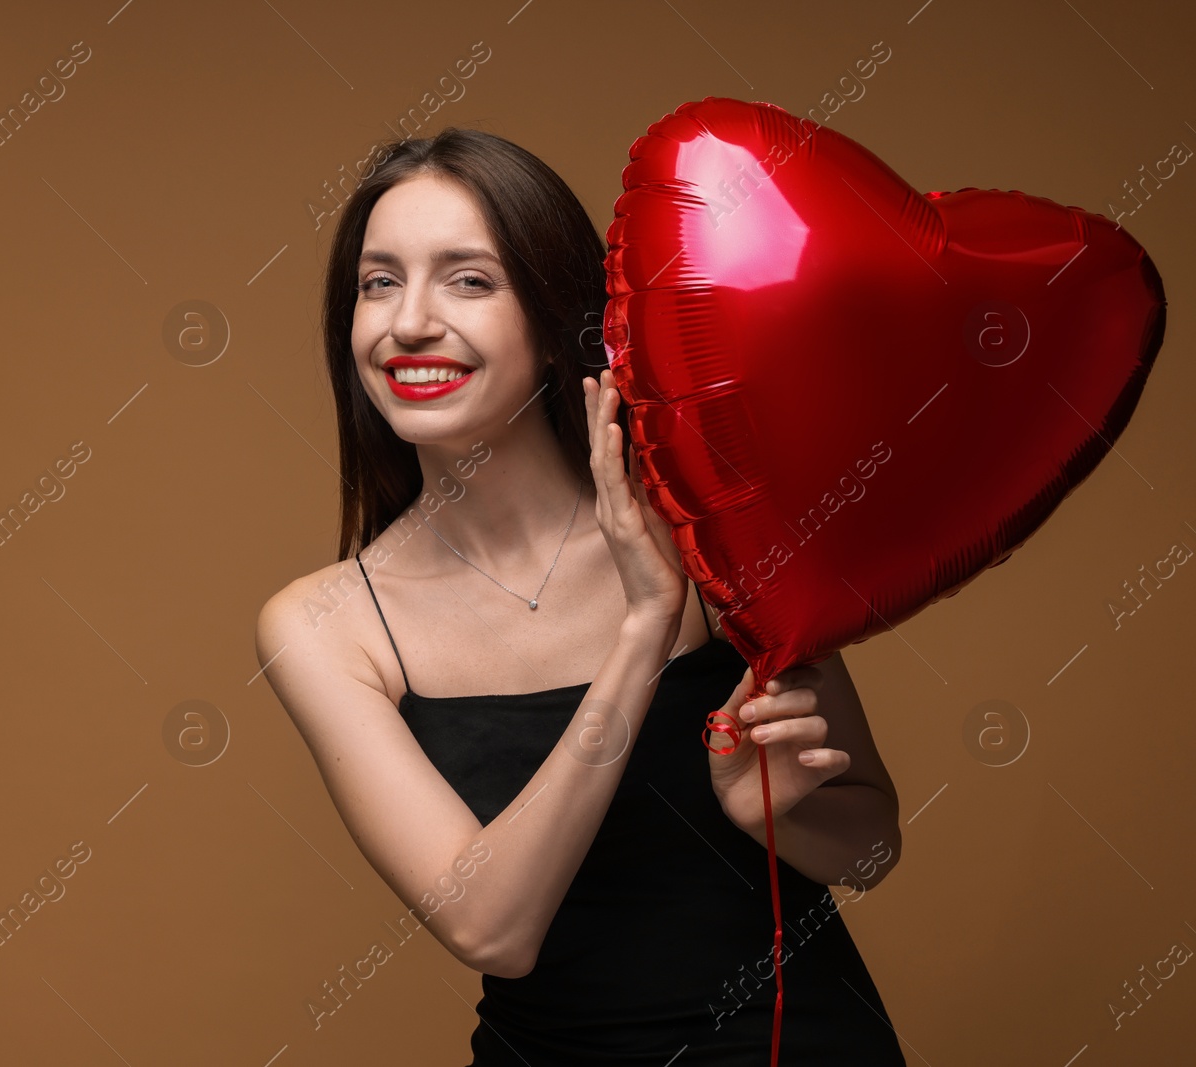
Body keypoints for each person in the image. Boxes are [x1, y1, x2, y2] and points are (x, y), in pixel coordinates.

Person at [255, 126, 908, 1065]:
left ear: (564, 322)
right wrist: (645, 628)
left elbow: (875, 850)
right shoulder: (325, 626)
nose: (408, 323)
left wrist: (782, 819)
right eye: (380, 281)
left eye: (468, 280)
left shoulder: (712, 523)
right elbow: (491, 929)